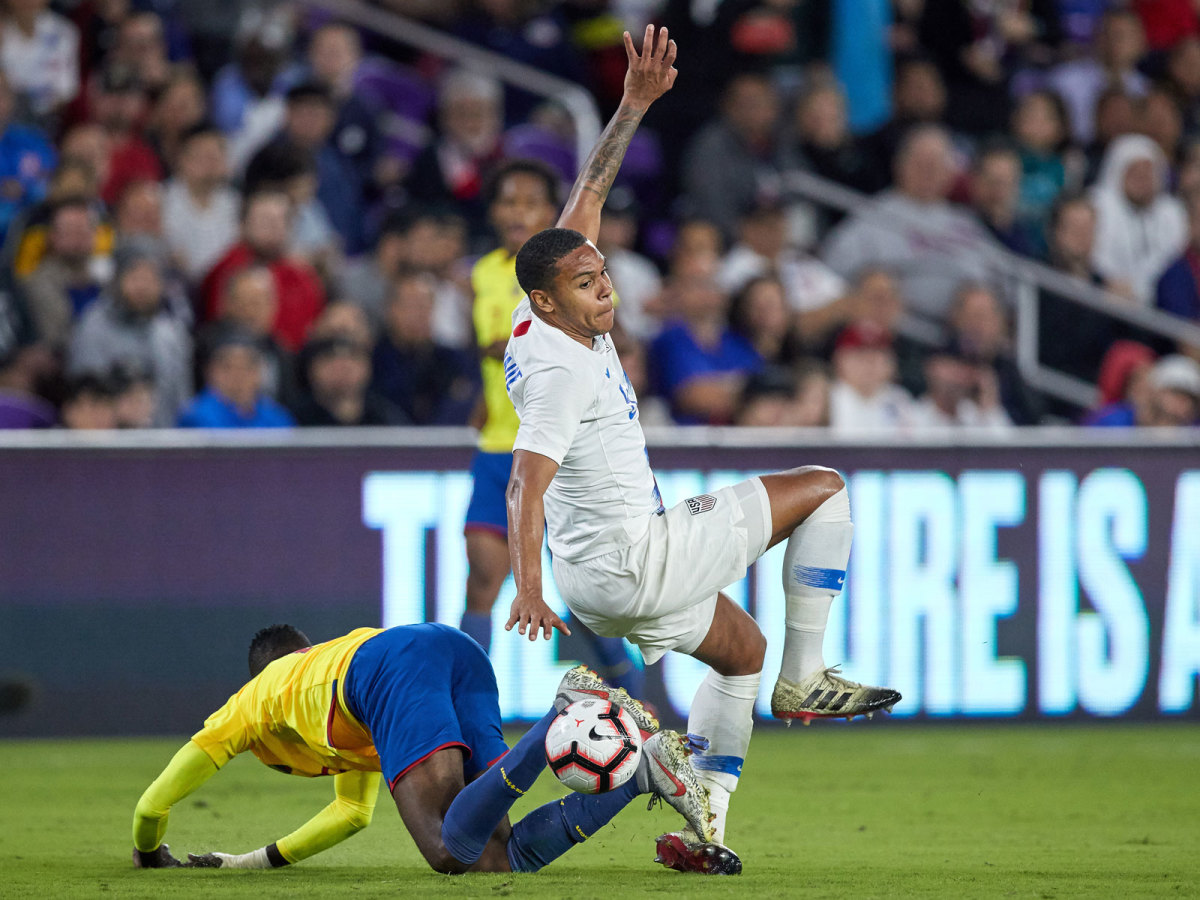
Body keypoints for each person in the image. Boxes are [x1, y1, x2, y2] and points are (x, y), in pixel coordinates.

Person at [502, 25, 900, 874]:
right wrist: (527, 590)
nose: (603, 286)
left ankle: (703, 827)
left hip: (601, 580)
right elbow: (522, 482)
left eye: (601, 272)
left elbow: (589, 189)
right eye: (585, 283)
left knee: (738, 652)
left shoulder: (543, 306)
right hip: (628, 556)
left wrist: (633, 103)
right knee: (825, 487)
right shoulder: (559, 369)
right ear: (549, 299)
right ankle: (809, 673)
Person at [130, 623, 714, 874]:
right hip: (448, 652)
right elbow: (352, 813)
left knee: (446, 853)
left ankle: (560, 715)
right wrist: (248, 862)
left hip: (391, 670)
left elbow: (151, 805)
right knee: (500, 853)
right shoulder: (326, 689)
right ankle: (642, 772)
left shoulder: (254, 699)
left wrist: (149, 848)